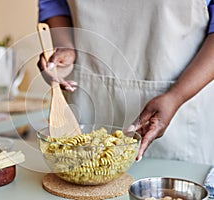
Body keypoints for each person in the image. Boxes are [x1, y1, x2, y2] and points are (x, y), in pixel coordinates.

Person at [37, 0, 214, 165]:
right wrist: (64, 46)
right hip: (87, 101)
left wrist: (176, 96)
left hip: (181, 105)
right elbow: (54, 3)